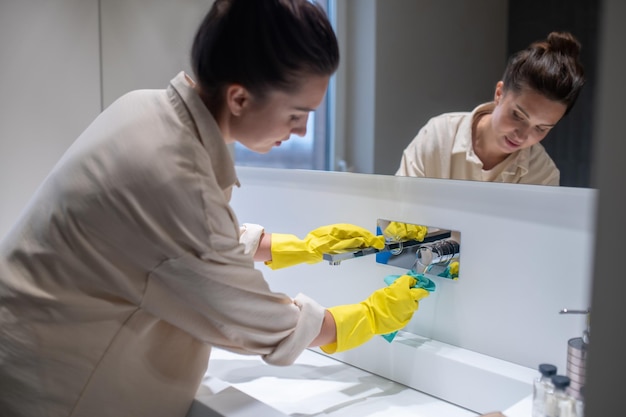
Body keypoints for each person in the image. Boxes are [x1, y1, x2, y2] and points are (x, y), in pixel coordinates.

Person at [0, 1, 428, 416]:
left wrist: (296, 246)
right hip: (58, 390)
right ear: (239, 98)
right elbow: (256, 321)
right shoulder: (171, 173)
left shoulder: (145, 108)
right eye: (297, 114)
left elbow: (170, 248)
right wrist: (370, 318)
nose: (302, 131)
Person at [396, 31, 585, 186]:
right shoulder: (439, 136)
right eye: (518, 115)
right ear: (499, 93)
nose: (521, 135)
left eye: (541, 128)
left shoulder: (542, 174)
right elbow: (399, 212)